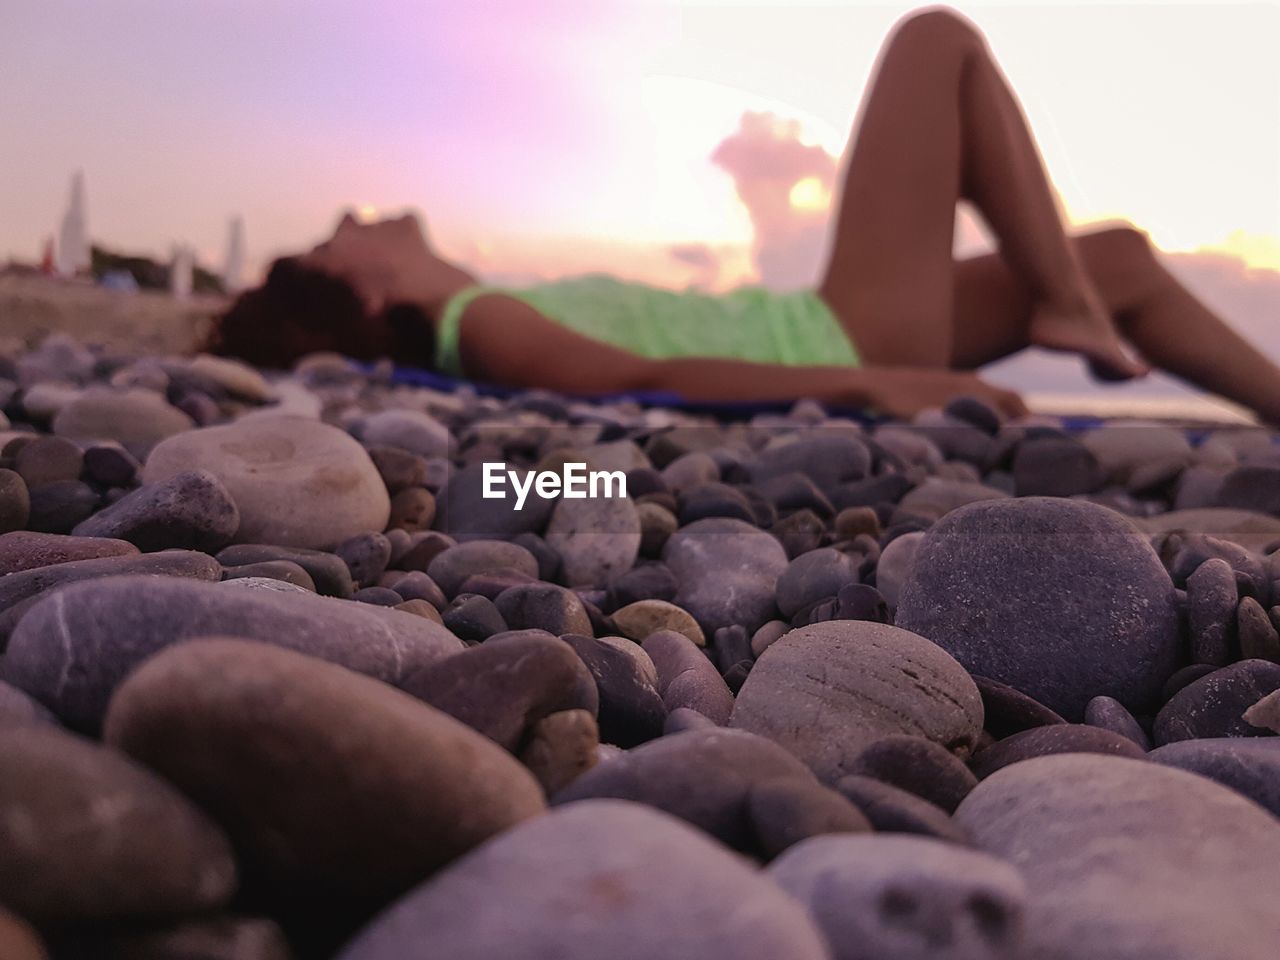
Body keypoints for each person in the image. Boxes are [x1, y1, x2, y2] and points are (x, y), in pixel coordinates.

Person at [210, 7, 1280, 423]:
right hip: (842, 336)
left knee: (1123, 260)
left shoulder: (498, 304)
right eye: (329, 233)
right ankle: (1058, 306)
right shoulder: (480, 323)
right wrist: (878, 380)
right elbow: (639, 383)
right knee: (933, 42)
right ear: (362, 286)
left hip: (828, 319)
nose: (351, 211)